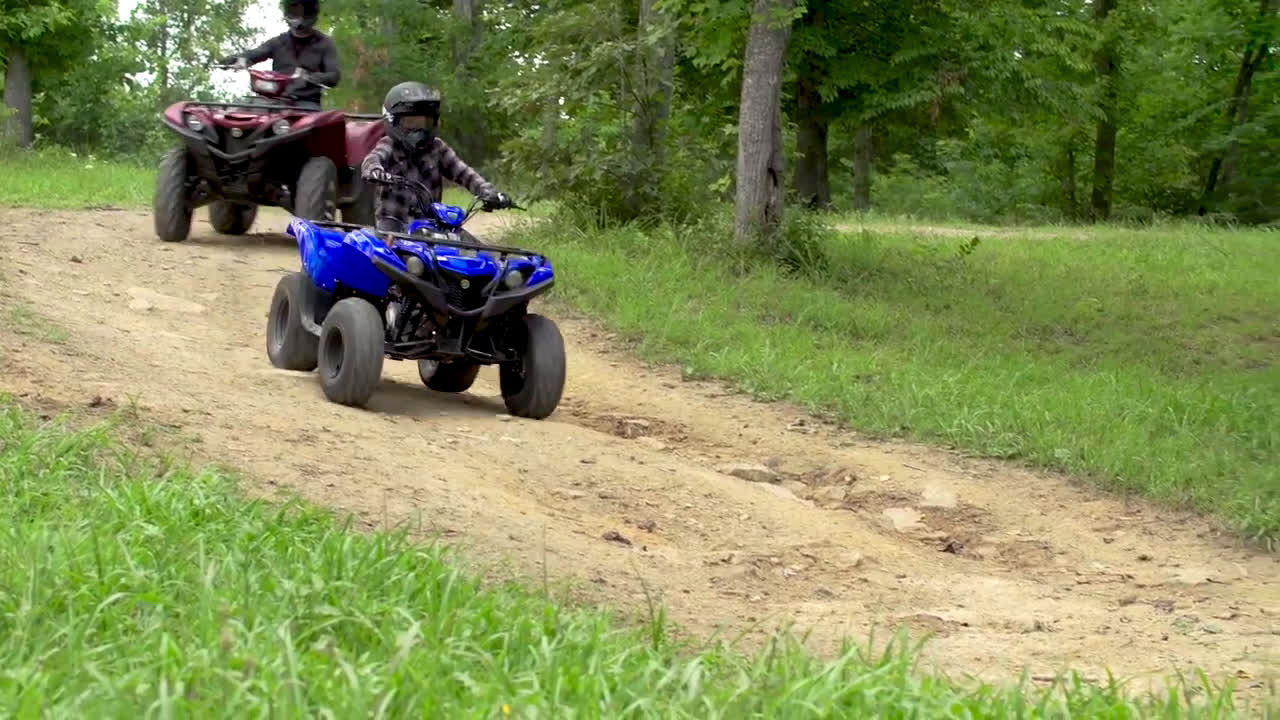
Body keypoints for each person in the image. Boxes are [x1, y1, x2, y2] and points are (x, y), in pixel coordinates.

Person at [361, 81, 512, 234]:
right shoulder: (389, 144)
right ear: (392, 120)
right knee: (391, 253)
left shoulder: (437, 148)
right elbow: (373, 159)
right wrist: (374, 170)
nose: (420, 130)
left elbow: (464, 173)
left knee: (467, 247)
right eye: (411, 122)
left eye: (426, 122)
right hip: (393, 222)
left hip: (429, 224)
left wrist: (486, 191)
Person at [220, 0, 340, 107]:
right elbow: (256, 53)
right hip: (274, 100)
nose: (299, 18)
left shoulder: (325, 43)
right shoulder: (279, 42)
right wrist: (238, 59)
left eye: (305, 12)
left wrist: (308, 77)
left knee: (311, 126)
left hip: (306, 102)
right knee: (238, 110)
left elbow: (334, 76)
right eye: (295, 12)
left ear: (313, 14)